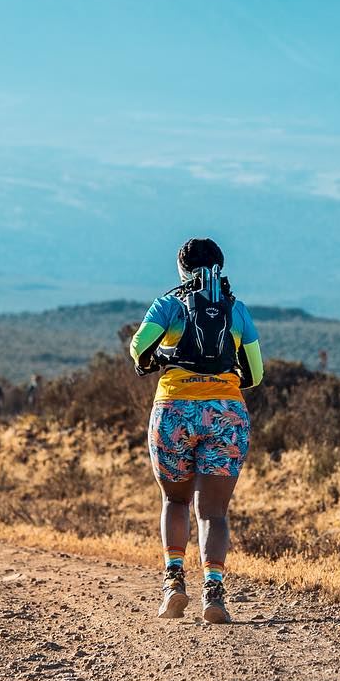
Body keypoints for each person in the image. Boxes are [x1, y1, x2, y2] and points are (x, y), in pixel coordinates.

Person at [128, 237, 263, 625]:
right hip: (226, 414)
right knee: (214, 513)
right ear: (220, 268)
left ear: (182, 269)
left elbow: (139, 349)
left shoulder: (168, 304)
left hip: (173, 411)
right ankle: (214, 592)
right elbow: (255, 372)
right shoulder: (237, 310)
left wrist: (165, 356)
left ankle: (173, 583)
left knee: (175, 501)